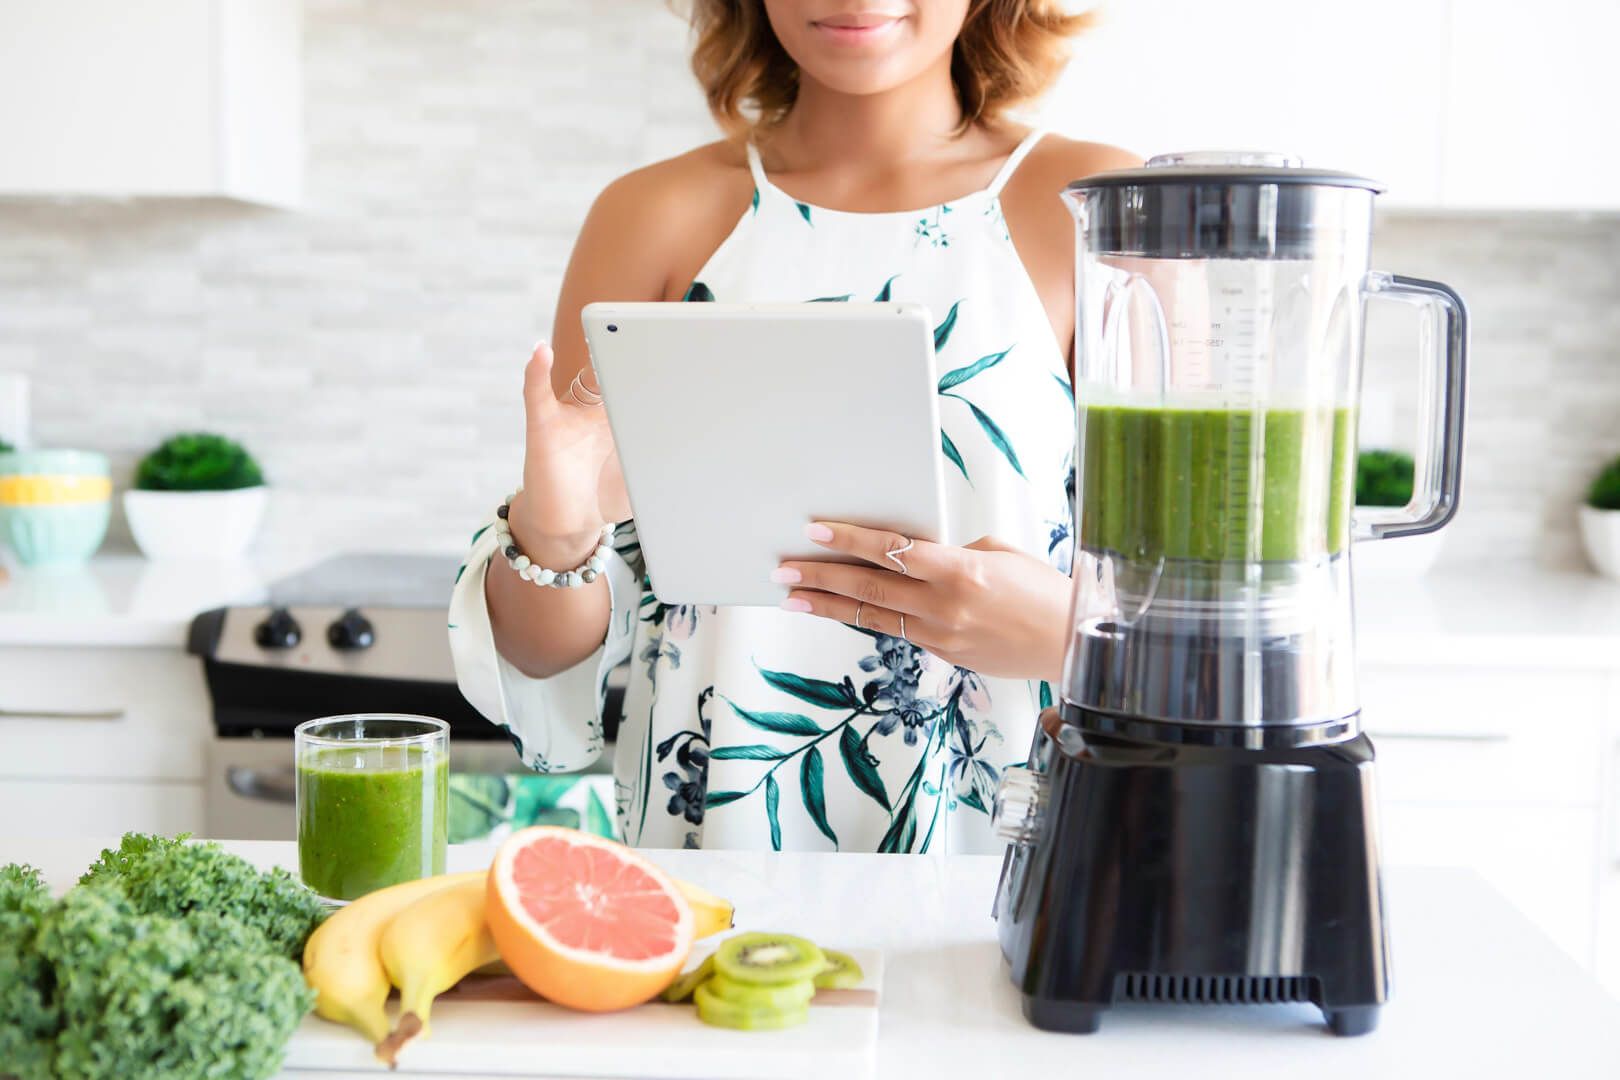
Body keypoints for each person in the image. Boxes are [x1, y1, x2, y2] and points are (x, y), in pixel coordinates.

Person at [449, 0, 1139, 852]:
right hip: (715, 864)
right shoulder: (652, 216)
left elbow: (1212, 617)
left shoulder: (1099, 209)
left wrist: (1069, 634)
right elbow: (549, 658)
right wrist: (553, 530)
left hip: (1011, 857)